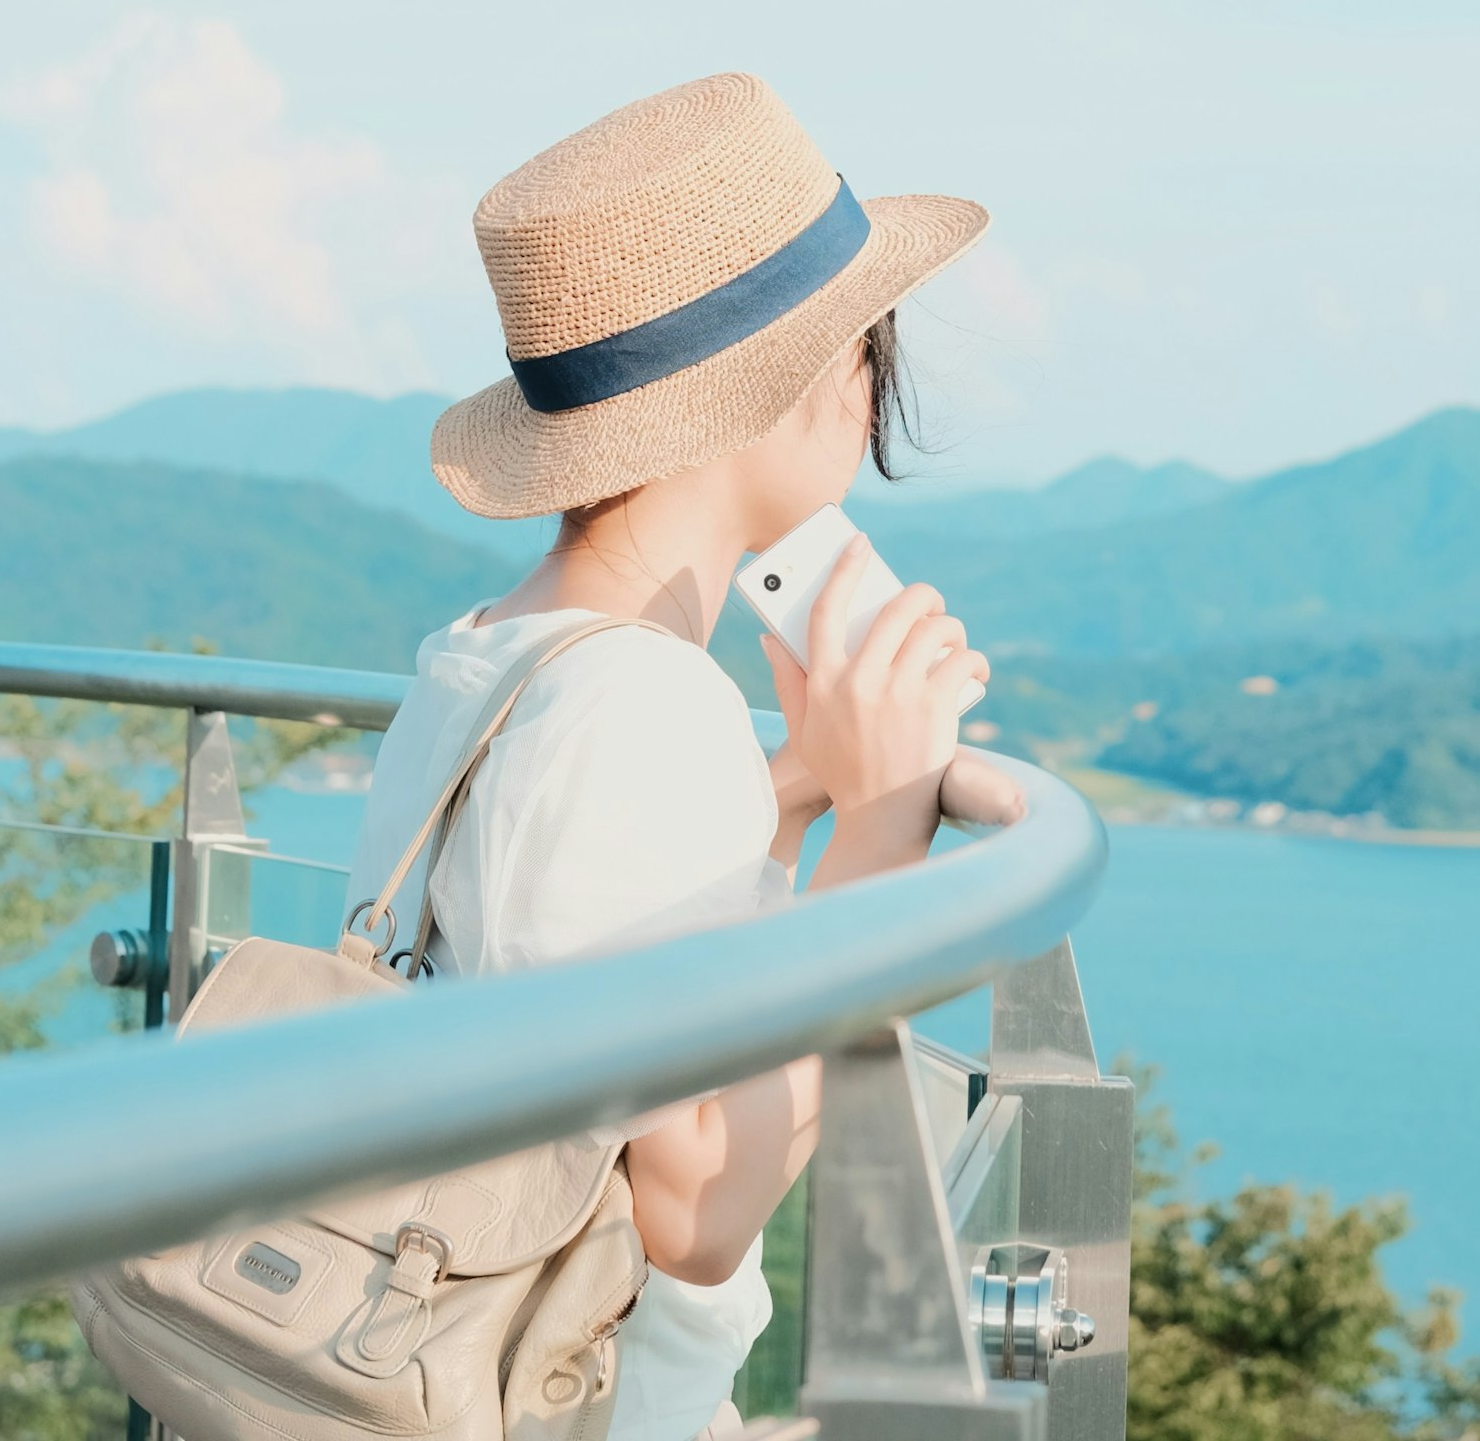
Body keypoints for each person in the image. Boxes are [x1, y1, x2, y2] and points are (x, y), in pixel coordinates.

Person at [342, 72, 994, 1441]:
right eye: (864, 339)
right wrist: (878, 843)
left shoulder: (489, 654)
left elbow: (589, 982)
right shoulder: (647, 702)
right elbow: (690, 1210)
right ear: (799, 380)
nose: (875, 378)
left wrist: (780, 810)